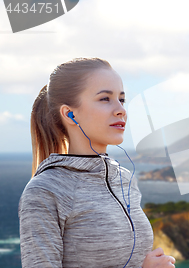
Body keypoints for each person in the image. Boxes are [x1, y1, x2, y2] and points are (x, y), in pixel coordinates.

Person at [19, 57, 176, 268]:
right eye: (105, 99)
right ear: (70, 114)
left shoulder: (124, 178)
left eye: (122, 99)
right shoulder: (45, 190)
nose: (120, 109)